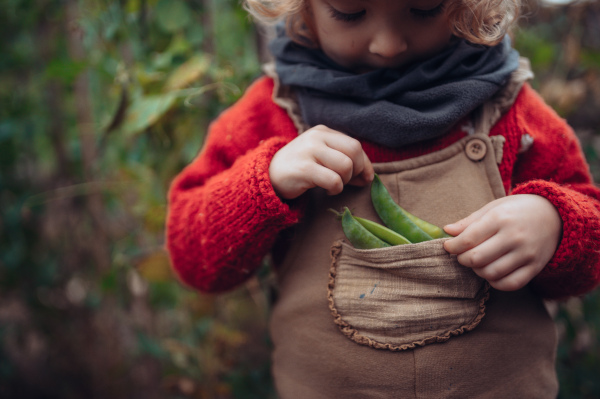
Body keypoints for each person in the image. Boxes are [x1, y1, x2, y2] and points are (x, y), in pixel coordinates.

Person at [166, 0, 600, 397]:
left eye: (425, 7)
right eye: (350, 12)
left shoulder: (510, 109)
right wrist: (267, 181)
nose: (388, 44)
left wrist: (555, 223)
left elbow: (591, 247)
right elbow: (194, 259)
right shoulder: (271, 115)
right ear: (301, 8)